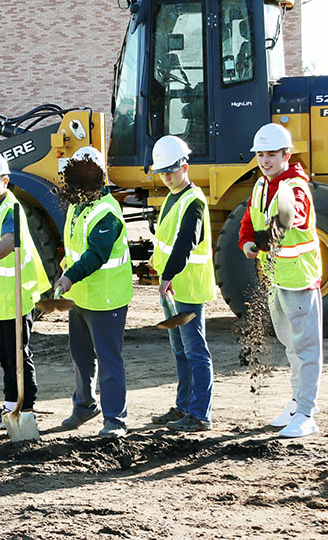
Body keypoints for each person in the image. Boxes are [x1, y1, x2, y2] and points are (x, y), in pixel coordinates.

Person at [239, 123, 322, 439]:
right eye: (261, 154)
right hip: (275, 278)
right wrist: (247, 242)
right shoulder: (261, 185)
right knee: (291, 346)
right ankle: (297, 402)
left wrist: (269, 234)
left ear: (286, 155)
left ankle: (306, 413)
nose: (265, 160)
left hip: (299, 280)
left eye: (272, 154)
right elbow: (249, 221)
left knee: (305, 348)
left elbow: (294, 214)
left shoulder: (295, 187)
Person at [54, 146, 134, 438]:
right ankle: (84, 406)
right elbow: (74, 250)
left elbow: (96, 255)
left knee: (109, 359)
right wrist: (65, 275)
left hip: (107, 297)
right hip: (82, 296)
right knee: (81, 355)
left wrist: (69, 277)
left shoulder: (106, 213)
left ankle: (116, 419)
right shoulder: (77, 207)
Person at [0, 152, 51, 431]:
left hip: (18, 294)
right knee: (6, 355)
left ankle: (26, 410)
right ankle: (9, 407)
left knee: (18, 354)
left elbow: (8, 241)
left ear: (5, 181)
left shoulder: (10, 208)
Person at [148, 136, 215, 432]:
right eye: (162, 172)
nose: (166, 177)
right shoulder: (172, 197)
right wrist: (158, 261)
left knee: (195, 351)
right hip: (174, 289)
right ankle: (184, 406)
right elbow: (168, 238)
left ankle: (199, 414)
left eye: (171, 171)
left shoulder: (193, 201)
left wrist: (168, 274)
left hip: (186, 288)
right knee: (180, 350)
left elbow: (187, 241)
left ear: (184, 167)